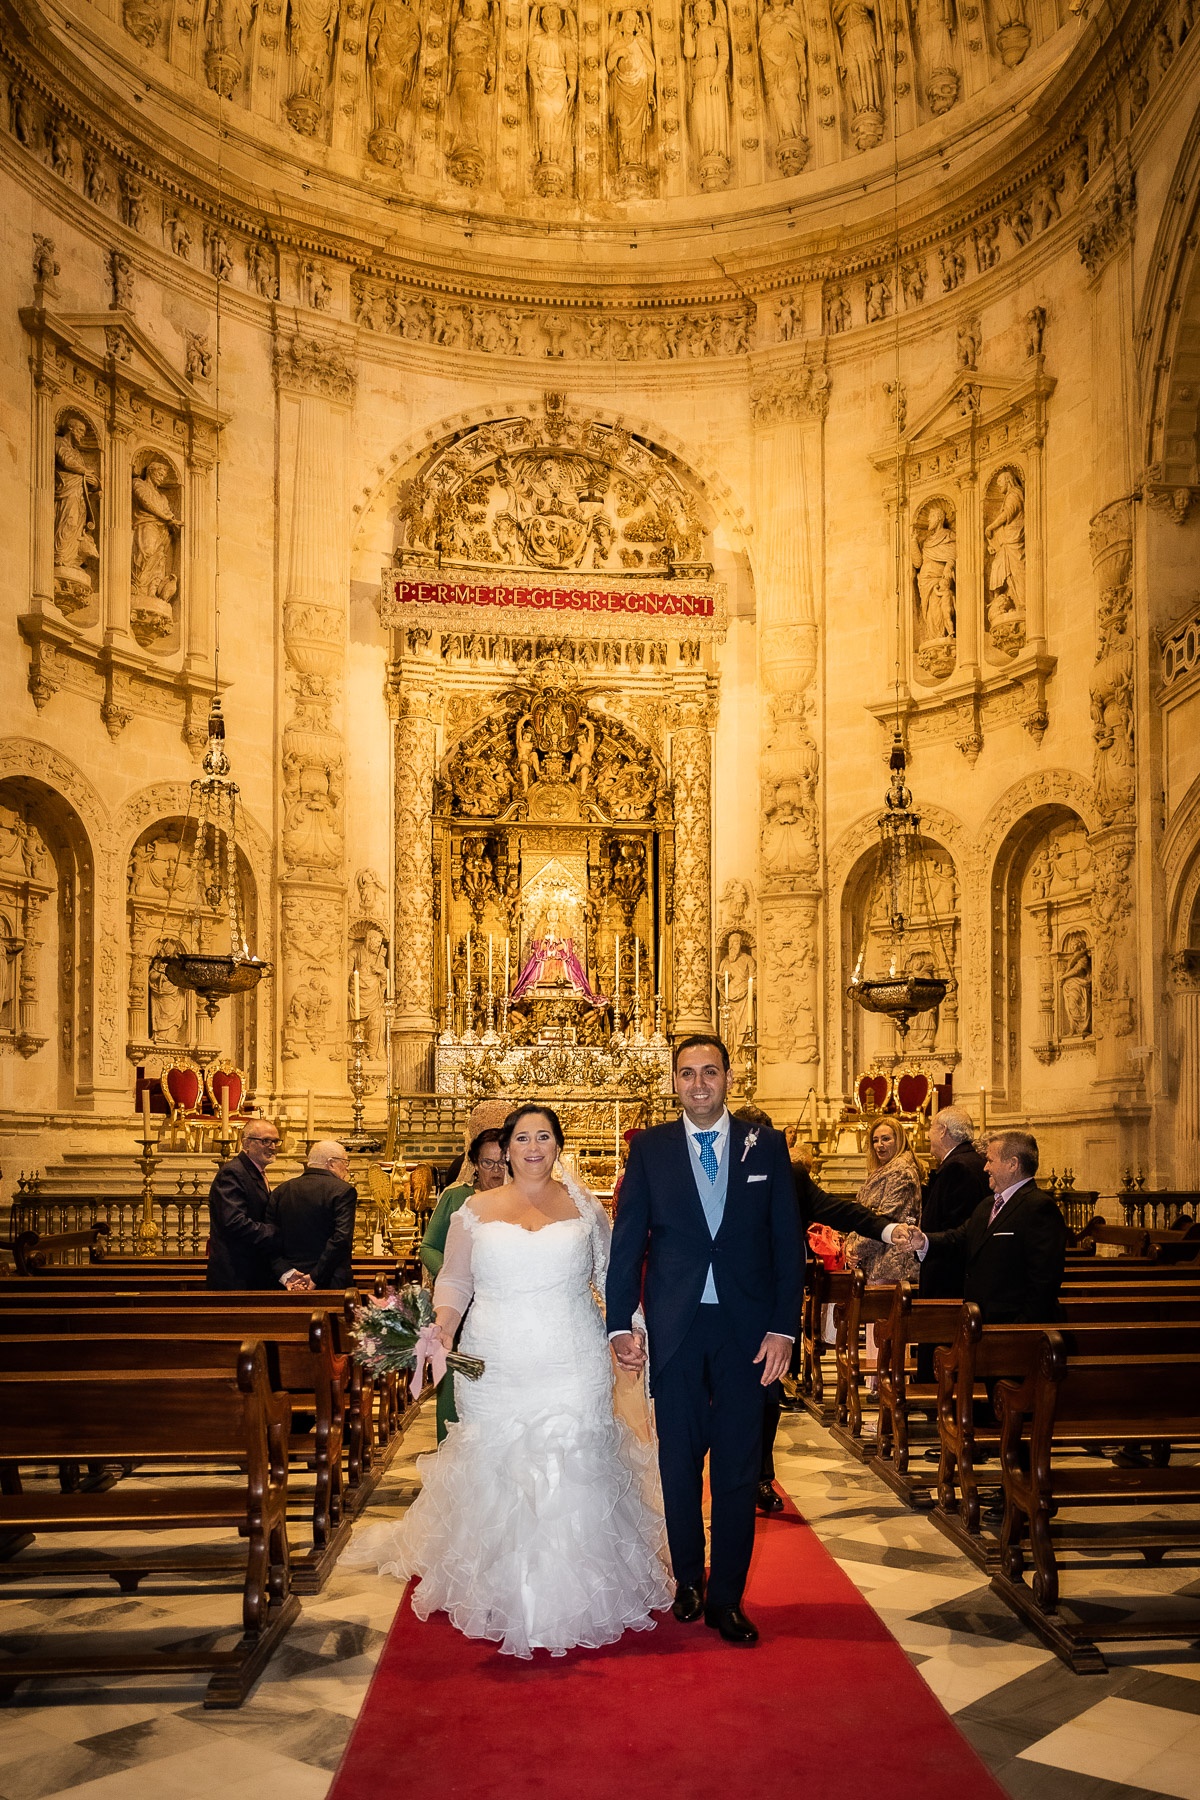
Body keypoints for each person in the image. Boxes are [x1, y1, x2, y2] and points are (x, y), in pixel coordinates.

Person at [345, 1104, 671, 1658]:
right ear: (506, 1148)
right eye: (523, 1138)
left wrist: (628, 1331)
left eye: (544, 1136)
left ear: (558, 1145)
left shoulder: (585, 1208)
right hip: (495, 1358)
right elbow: (455, 1279)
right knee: (498, 1462)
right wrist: (440, 1329)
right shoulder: (474, 1209)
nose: (534, 1147)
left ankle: (574, 1590)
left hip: (570, 1355)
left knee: (574, 1459)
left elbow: (609, 1275)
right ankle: (500, 1586)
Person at [607, 1036, 802, 1646]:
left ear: (727, 1078)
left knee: (739, 1468)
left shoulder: (765, 1144)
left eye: (709, 1073)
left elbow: (786, 1243)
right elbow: (628, 1240)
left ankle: (728, 1599)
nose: (698, 1084)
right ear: (674, 1082)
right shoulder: (650, 1150)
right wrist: (619, 1322)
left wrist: (784, 1327)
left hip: (746, 1331)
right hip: (678, 1328)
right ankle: (689, 1580)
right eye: (686, 1074)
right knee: (679, 1462)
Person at [737, 1105, 884, 1516]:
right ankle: (733, 1476)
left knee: (768, 1399)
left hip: (773, 1312)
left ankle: (760, 1478)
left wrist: (887, 1229)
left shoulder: (793, 1176)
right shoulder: (715, 1172)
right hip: (726, 1310)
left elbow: (839, 1210)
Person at [890, 1129, 1067, 1324]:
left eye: (991, 1160)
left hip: (1013, 1327)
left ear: (1013, 1164)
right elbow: (958, 1238)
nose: (985, 1168)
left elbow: (1044, 1280)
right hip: (981, 1322)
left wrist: (1022, 1329)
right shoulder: (987, 1205)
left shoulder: (1039, 1207)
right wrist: (923, 1241)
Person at [419, 1126, 508, 1442]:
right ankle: (452, 1448)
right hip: (459, 1307)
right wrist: (453, 1273)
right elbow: (427, 1246)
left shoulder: (521, 1201)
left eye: (502, 1162)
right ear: (475, 1164)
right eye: (488, 1163)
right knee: (457, 1382)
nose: (496, 1171)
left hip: (502, 1309)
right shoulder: (456, 1198)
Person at [914, 1106, 990, 1382]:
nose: (928, 1135)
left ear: (943, 1131)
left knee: (940, 1339)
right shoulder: (973, 1161)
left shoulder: (957, 1167)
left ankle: (936, 1393)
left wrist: (924, 1242)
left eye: (931, 1128)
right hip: (957, 1268)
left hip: (947, 1273)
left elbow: (957, 1227)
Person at [265, 1139, 357, 1293]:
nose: (347, 1169)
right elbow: (341, 1239)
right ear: (331, 1163)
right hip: (330, 1281)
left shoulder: (281, 1191)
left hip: (287, 1284)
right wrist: (315, 1276)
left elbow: (268, 1237)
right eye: (345, 1162)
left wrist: (286, 1273)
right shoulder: (343, 1191)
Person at [205, 1119, 282, 1290]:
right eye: (266, 1141)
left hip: (250, 1271)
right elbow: (234, 1222)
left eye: (276, 1141)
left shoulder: (253, 1172)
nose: (273, 1146)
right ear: (246, 1143)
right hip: (235, 1274)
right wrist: (275, 1232)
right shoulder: (232, 1173)